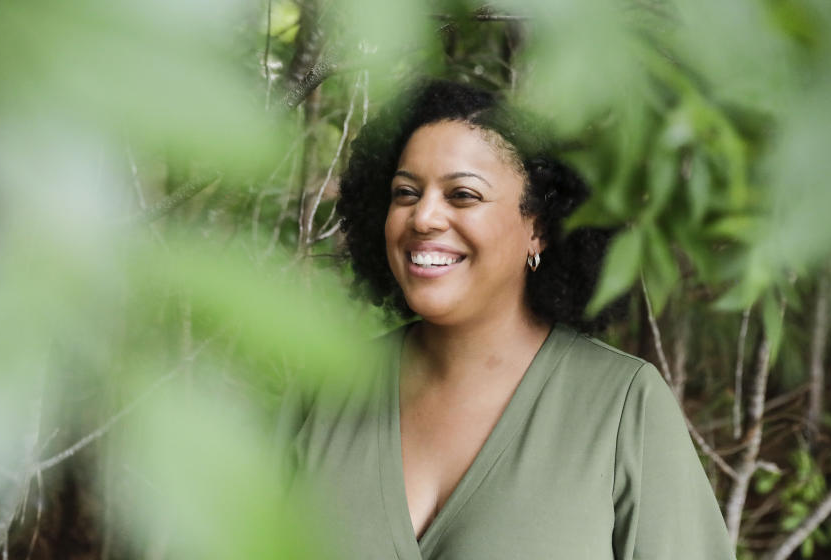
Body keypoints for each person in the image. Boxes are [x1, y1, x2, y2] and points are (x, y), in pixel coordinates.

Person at [290, 79, 734, 559]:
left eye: (462, 195)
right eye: (405, 192)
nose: (423, 218)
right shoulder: (327, 391)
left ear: (538, 229)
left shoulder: (624, 405)